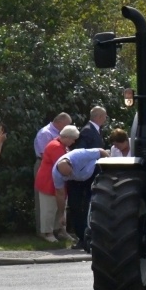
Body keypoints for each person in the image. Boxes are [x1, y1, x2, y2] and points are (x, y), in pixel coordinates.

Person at [54, 148, 110, 252]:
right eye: (65, 175)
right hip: (75, 182)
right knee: (74, 206)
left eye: (69, 173)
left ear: (71, 164)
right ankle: (82, 238)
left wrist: (109, 169)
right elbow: (60, 194)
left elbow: (102, 152)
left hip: (92, 173)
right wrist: (61, 214)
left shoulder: (79, 155)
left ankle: (99, 237)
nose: (68, 175)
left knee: (93, 203)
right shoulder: (56, 174)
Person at [69, 106, 108, 246]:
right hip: (85, 178)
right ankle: (82, 236)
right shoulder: (87, 132)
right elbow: (82, 154)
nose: (105, 119)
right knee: (82, 206)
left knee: (88, 205)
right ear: (98, 117)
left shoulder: (96, 131)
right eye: (104, 116)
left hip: (92, 175)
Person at [34, 125, 79, 243]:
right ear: (67, 137)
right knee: (49, 208)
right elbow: (62, 165)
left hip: (58, 181)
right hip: (48, 181)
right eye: (73, 139)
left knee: (60, 206)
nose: (74, 141)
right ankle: (47, 233)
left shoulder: (62, 146)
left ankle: (60, 230)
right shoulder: (56, 146)